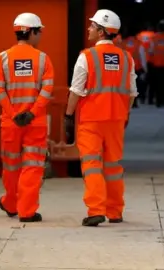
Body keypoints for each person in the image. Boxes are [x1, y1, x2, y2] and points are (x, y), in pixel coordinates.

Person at [64, 9, 137, 227]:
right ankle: (115, 211)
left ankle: (96, 210)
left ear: (102, 31)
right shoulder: (127, 58)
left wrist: (68, 115)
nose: (88, 28)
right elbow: (132, 93)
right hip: (116, 120)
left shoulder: (86, 56)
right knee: (113, 166)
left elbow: (76, 90)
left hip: (91, 120)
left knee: (92, 164)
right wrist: (125, 114)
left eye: (92, 26)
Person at [0, 13, 54, 222]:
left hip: (11, 123)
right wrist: (32, 113)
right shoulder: (43, 59)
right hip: (34, 123)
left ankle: (10, 204)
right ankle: (26, 211)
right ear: (32, 32)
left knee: (10, 166)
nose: (41, 36)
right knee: (33, 166)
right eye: (40, 32)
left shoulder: (3, 58)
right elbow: (47, 90)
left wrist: (13, 114)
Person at [148, 21, 164, 107]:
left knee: (156, 84)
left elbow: (150, 51)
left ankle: (158, 101)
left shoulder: (153, 39)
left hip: (156, 65)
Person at [122, 26, 148, 107]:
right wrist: (145, 68)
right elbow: (142, 56)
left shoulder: (123, 43)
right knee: (135, 85)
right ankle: (134, 103)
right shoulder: (139, 43)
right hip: (136, 67)